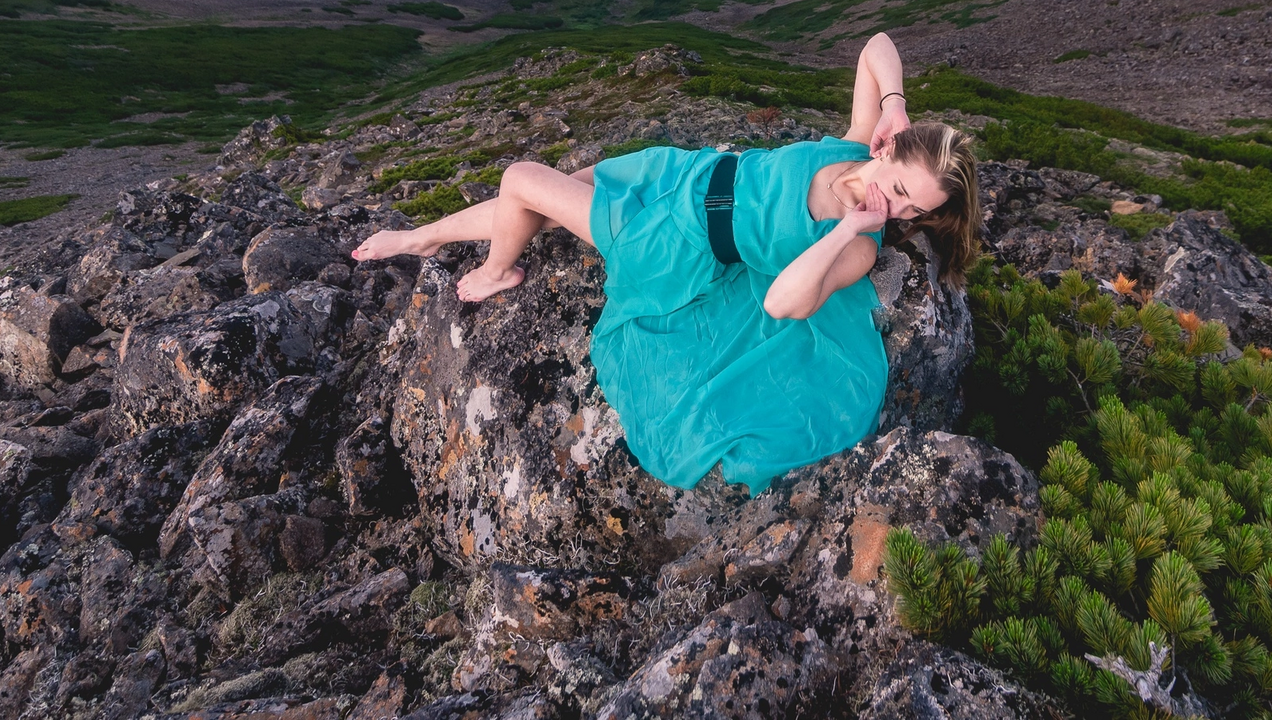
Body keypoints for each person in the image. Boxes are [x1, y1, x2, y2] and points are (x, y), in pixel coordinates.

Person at [351, 31, 979, 493]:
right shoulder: (855, 139)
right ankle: (425, 235)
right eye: (899, 190)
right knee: (545, 199)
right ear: (889, 146)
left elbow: (781, 303)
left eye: (911, 212)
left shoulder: (860, 245)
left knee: (522, 180)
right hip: (681, 171)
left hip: (669, 244)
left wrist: (847, 228)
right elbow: (875, 45)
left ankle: (493, 271)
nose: (895, 210)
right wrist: (895, 100)